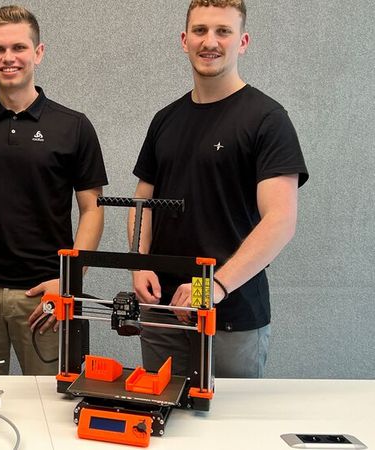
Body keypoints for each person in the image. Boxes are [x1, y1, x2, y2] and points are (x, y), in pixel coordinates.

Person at [129, 0, 308, 378]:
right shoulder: (165, 119)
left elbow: (280, 221)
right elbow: (142, 200)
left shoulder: (267, 119)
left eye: (223, 31)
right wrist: (139, 263)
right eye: (200, 30)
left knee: (229, 417)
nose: (210, 41)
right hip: (163, 313)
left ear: (242, 42)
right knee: (164, 412)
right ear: (184, 40)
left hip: (230, 316)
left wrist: (212, 287)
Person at [0, 5, 108, 375]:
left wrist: (69, 281)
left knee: (49, 400)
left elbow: (92, 210)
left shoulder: (73, 126)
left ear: (38, 52)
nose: (8, 57)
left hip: (46, 294)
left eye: (19, 48)